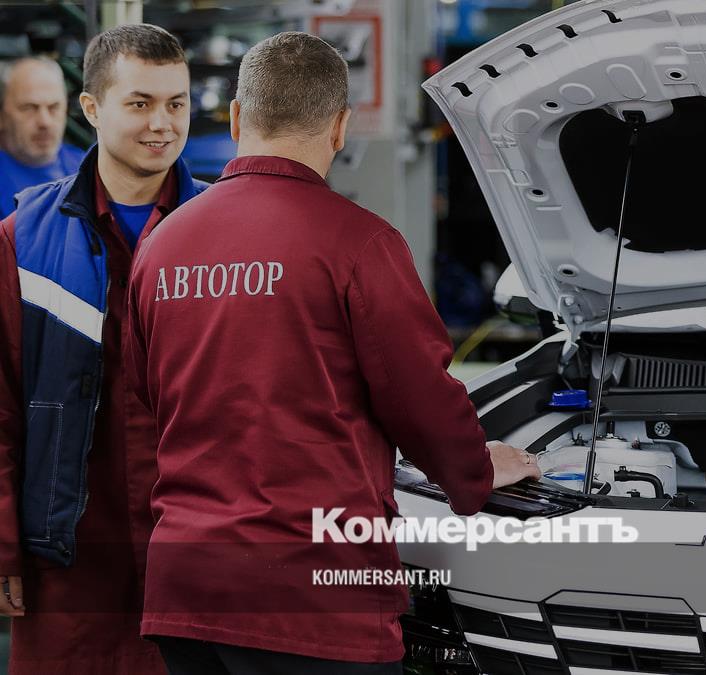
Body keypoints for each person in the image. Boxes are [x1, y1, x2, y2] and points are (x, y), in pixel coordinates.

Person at [126, 31, 540, 674]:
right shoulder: (359, 244)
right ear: (341, 127)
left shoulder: (160, 246)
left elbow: (146, 396)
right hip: (312, 596)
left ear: (235, 117)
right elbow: (420, 399)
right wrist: (476, 472)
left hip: (187, 587)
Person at [0, 24, 204, 675]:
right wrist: (3, 544)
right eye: (140, 103)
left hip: (196, 562)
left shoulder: (227, 235)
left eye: (176, 103)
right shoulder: (22, 240)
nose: (161, 124)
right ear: (91, 108)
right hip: (67, 568)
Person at [0, 57, 86, 218]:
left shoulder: (90, 169)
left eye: (54, 107)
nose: (45, 122)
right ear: (2, 115)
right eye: (29, 108)